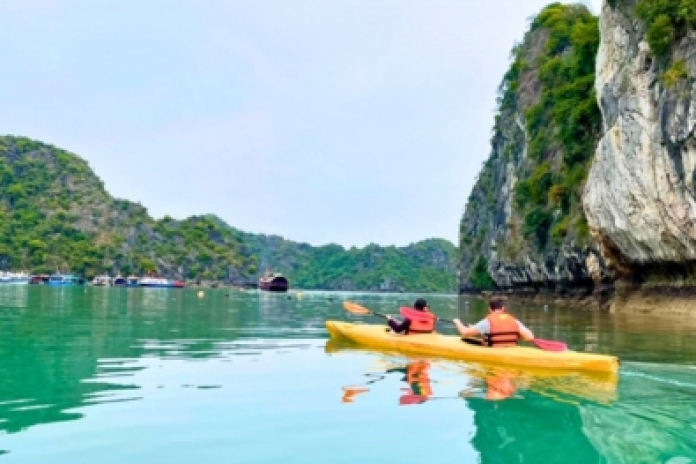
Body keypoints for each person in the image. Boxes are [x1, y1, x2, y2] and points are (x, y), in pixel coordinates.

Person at [453, 298, 534, 347]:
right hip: (511, 349)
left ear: (490, 309)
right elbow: (530, 337)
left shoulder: (487, 322)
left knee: (465, 339)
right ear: (503, 308)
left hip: (494, 350)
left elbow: (464, 333)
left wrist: (457, 322)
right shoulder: (514, 320)